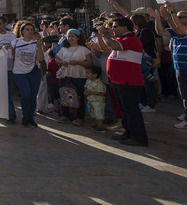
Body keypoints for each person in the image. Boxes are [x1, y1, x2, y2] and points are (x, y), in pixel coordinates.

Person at [99, 17, 148, 147]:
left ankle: (139, 137)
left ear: (125, 28)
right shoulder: (120, 39)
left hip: (128, 81)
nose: (113, 29)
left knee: (132, 110)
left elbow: (113, 46)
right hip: (118, 81)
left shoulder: (131, 39)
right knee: (125, 109)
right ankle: (128, 132)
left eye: (115, 27)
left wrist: (104, 34)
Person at [56, 29, 92, 125]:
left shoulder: (84, 49)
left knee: (79, 96)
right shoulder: (63, 49)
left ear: (78, 37)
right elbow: (57, 60)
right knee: (65, 95)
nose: (70, 38)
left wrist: (77, 62)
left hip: (79, 76)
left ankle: (80, 117)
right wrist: (62, 62)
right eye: (69, 36)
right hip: (66, 76)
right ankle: (65, 115)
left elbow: (89, 62)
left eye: (72, 36)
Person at [12, 20, 44, 128]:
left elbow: (40, 59)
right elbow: (10, 56)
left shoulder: (36, 43)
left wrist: (39, 47)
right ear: (22, 31)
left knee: (33, 95)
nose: (30, 32)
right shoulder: (16, 42)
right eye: (27, 30)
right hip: (19, 73)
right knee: (26, 94)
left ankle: (30, 117)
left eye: (31, 30)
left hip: (34, 72)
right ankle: (25, 115)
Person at [84, 66, 107, 132]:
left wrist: (90, 92)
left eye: (88, 73)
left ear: (95, 75)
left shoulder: (99, 83)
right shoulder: (88, 81)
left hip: (98, 102)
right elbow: (85, 86)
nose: (87, 74)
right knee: (93, 113)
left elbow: (102, 93)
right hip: (90, 101)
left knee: (99, 114)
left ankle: (100, 126)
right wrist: (85, 91)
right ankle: (96, 124)